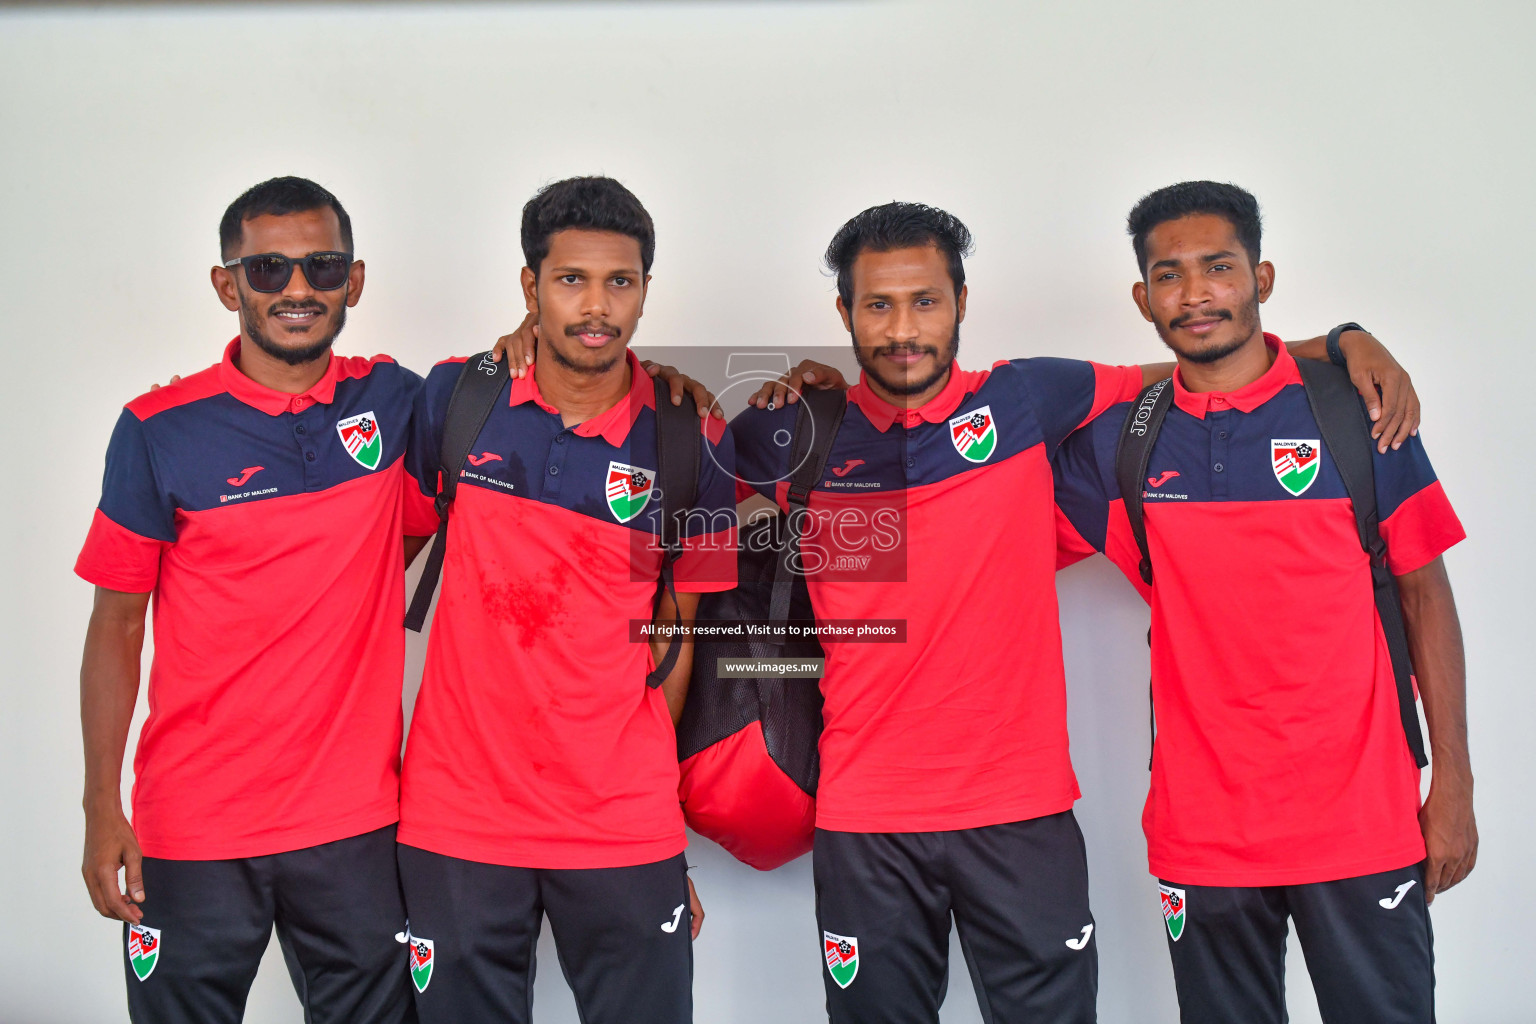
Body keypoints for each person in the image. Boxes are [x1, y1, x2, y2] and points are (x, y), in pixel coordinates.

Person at [724, 200, 1419, 1024]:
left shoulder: (1028, 397)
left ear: (962, 303)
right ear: (844, 312)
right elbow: (664, 549)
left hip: (1024, 818)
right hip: (864, 820)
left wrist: (1342, 343)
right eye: (878, 305)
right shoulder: (791, 434)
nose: (902, 328)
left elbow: (1194, 362)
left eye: (925, 301)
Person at [1051, 180, 1474, 1024]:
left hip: (1363, 818)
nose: (1196, 292)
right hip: (1201, 830)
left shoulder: (1358, 412)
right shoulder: (1117, 444)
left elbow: (1426, 595)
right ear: (1143, 299)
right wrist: (816, 409)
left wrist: (1455, 784)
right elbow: (963, 490)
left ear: (1263, 278)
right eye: (1169, 276)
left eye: (1219, 267)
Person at [75, 176, 430, 1023]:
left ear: (356, 279)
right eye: (268, 269)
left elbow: (527, 403)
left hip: (356, 825)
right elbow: (116, 626)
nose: (298, 289)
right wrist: (99, 807)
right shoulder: (158, 428)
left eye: (322, 266)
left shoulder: (399, 402)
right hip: (193, 826)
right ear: (227, 284)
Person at [395, 175, 736, 1024]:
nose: (596, 306)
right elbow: (373, 560)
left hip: (621, 821)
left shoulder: (694, 436)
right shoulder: (455, 398)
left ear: (647, 292)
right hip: (456, 817)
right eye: (570, 280)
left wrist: (662, 815)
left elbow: (677, 639)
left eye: (619, 282)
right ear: (529, 287)